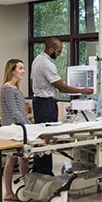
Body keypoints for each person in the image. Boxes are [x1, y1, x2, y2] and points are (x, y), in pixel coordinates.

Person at [31, 37, 93, 175]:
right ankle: (45, 172)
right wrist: (82, 90)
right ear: (51, 49)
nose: (59, 54)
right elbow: (60, 86)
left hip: (38, 102)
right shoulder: (47, 64)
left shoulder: (37, 60)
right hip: (46, 104)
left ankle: (39, 170)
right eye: (58, 51)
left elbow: (33, 82)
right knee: (46, 140)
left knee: (41, 138)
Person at [0, 59, 31, 201]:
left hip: (20, 128)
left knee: (24, 158)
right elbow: (14, 113)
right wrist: (27, 127)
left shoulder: (16, 89)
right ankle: (8, 192)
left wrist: (29, 124)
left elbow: (21, 113)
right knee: (11, 160)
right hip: (12, 129)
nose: (23, 71)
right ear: (12, 70)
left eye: (23, 68)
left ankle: (25, 187)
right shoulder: (7, 88)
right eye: (20, 68)